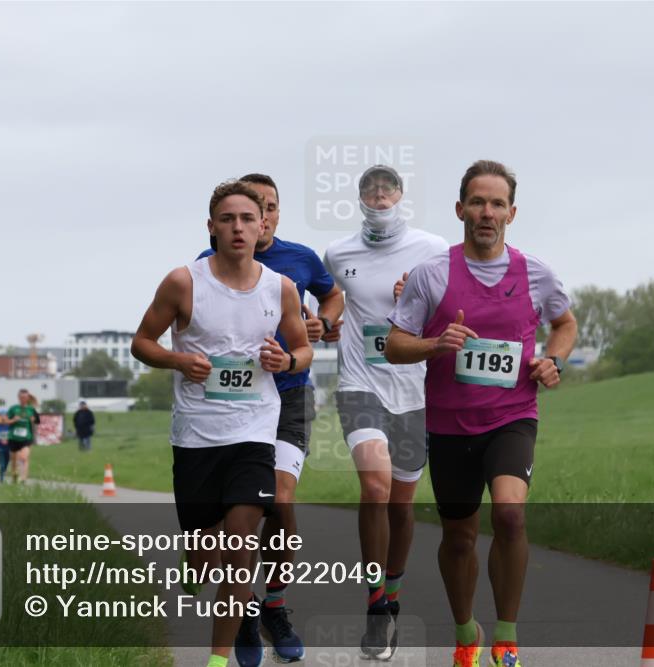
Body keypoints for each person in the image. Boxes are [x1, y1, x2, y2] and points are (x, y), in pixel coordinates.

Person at [385, 160, 576, 667]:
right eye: (477, 202)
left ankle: (507, 636)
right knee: (459, 536)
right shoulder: (432, 274)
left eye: (496, 204)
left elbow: (565, 323)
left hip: (513, 415)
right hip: (448, 423)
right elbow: (394, 344)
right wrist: (434, 343)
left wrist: (553, 361)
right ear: (460, 209)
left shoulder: (536, 272)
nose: (486, 213)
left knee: (510, 515)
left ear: (511, 213)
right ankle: (465, 630)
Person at [131, 179, 313, 667]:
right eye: (228, 219)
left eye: (247, 219)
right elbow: (142, 342)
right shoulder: (184, 282)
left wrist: (286, 361)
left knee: (240, 540)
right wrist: (176, 361)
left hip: (255, 430)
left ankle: (218, 658)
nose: (238, 227)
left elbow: (303, 348)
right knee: (205, 551)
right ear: (211, 227)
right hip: (195, 435)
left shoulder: (282, 288)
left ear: (263, 226)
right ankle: (195, 559)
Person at [198, 173, 344, 665]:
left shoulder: (299, 260)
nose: (258, 216)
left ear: (273, 217)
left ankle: (274, 607)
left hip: (288, 398)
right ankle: (242, 609)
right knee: (224, 524)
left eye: (269, 207)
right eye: (246, 208)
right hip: (227, 408)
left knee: (279, 501)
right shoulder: (204, 266)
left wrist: (323, 321)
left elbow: (332, 295)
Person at [322, 164, 448, 660]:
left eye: (387, 189)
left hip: (413, 390)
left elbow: (453, 308)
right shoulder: (339, 253)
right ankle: (375, 604)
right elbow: (331, 301)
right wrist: (327, 323)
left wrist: (416, 299)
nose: (379, 197)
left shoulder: (432, 248)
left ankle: (393, 595)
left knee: (400, 504)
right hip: (359, 383)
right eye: (370, 190)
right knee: (374, 486)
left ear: (400, 196)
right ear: (359, 199)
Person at [5, 389, 40, 482]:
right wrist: (13, 420)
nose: (23, 399)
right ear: (18, 398)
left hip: (26, 437)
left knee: (24, 457)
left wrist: (33, 420)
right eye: (21, 397)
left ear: (28, 398)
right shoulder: (13, 408)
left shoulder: (31, 409)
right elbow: (5, 421)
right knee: (13, 461)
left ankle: (23, 478)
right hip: (13, 437)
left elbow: (38, 421)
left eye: (24, 397)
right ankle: (14, 476)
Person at [0, 416, 12, 483]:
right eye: (2, 420)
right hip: (0, 448)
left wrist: (8, 440)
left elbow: (11, 436)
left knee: (7, 462)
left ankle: (4, 471)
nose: (3, 421)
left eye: (4, 420)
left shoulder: (9, 427)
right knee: (2, 464)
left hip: (8, 448)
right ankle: (1, 479)